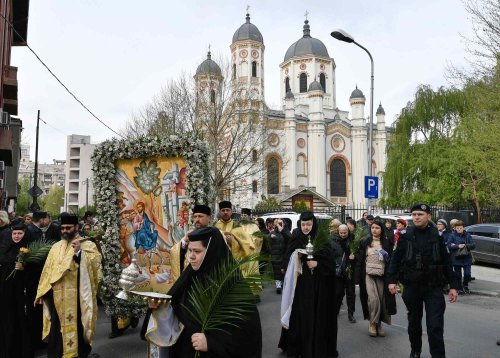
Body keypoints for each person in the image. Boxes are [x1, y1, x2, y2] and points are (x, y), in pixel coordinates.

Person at [146, 227, 262, 357]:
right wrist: (158, 307)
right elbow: (175, 309)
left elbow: (248, 333)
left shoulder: (231, 284)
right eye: (189, 250)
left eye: (197, 251)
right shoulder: (189, 276)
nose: (191, 257)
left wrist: (212, 343)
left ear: (211, 252)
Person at [388, 203, 458, 358]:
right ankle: (415, 350)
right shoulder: (406, 235)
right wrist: (391, 280)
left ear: (429, 216)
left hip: (433, 287)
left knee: (435, 326)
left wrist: (453, 286)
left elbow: (447, 261)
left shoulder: (437, 236)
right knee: (414, 323)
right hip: (412, 286)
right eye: (414, 215)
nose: (416, 217)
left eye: (420, 214)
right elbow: (396, 259)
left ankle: (438, 355)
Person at [35, 214, 102, 358]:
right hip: (56, 298)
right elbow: (48, 271)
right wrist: (42, 293)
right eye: (63, 228)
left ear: (76, 227)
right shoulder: (55, 247)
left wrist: (79, 252)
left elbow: (96, 268)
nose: (65, 231)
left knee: (77, 328)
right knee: (56, 331)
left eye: (68, 228)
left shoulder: (87, 245)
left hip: (76, 299)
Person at [279, 211, 337, 358]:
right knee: (301, 315)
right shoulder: (296, 236)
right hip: (301, 284)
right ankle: (299, 347)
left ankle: (317, 347)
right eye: (303, 224)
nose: (306, 227)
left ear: (313, 224)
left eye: (309, 224)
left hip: (319, 285)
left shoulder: (321, 238)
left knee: (317, 316)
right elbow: (287, 257)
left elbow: (330, 262)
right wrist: (296, 258)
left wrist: (318, 263)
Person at [0, 223, 37, 358]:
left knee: (21, 321)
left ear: (25, 234)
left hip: (22, 294)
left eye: (19, 233)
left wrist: (24, 269)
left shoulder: (30, 250)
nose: (16, 236)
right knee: (7, 321)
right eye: (14, 233)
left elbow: (36, 274)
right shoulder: (6, 248)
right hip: (6, 294)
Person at [355, 220, 396, 337]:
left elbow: (392, 260)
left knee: (382, 301)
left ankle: (379, 324)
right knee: (373, 299)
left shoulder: (386, 242)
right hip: (368, 274)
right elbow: (361, 259)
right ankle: (373, 323)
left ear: (381, 229)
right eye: (372, 227)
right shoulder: (366, 241)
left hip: (382, 275)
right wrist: (357, 276)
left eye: (377, 228)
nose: (374, 230)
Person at [214, 201, 255, 277]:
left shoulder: (237, 226)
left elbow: (248, 243)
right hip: (218, 263)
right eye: (223, 210)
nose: (225, 212)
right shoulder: (214, 226)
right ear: (220, 212)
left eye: (227, 210)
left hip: (234, 263)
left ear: (231, 212)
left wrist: (233, 242)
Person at [332, 224, 357, 323]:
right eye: (341, 233)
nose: (343, 234)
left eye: (345, 232)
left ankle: (351, 314)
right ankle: (335, 311)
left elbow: (360, 254)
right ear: (338, 232)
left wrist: (354, 257)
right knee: (338, 293)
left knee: (351, 294)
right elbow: (330, 255)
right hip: (338, 272)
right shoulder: (333, 241)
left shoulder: (354, 240)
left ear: (348, 231)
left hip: (350, 271)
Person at [446, 220, 475, 295]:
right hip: (456, 258)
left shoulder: (468, 235)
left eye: (460, 228)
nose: (459, 229)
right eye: (457, 228)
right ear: (455, 228)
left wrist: (465, 245)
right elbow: (449, 245)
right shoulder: (452, 235)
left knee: (467, 274)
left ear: (463, 228)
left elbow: (473, 245)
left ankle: (465, 285)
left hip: (466, 258)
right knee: (458, 275)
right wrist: (457, 246)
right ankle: (459, 288)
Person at [269, 218, 288, 294]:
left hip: (284, 255)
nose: (278, 224)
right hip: (275, 255)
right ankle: (278, 286)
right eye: (276, 222)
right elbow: (268, 242)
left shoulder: (285, 232)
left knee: (283, 271)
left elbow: (289, 239)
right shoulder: (272, 233)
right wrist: (270, 237)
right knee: (276, 271)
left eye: (280, 222)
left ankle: (283, 283)